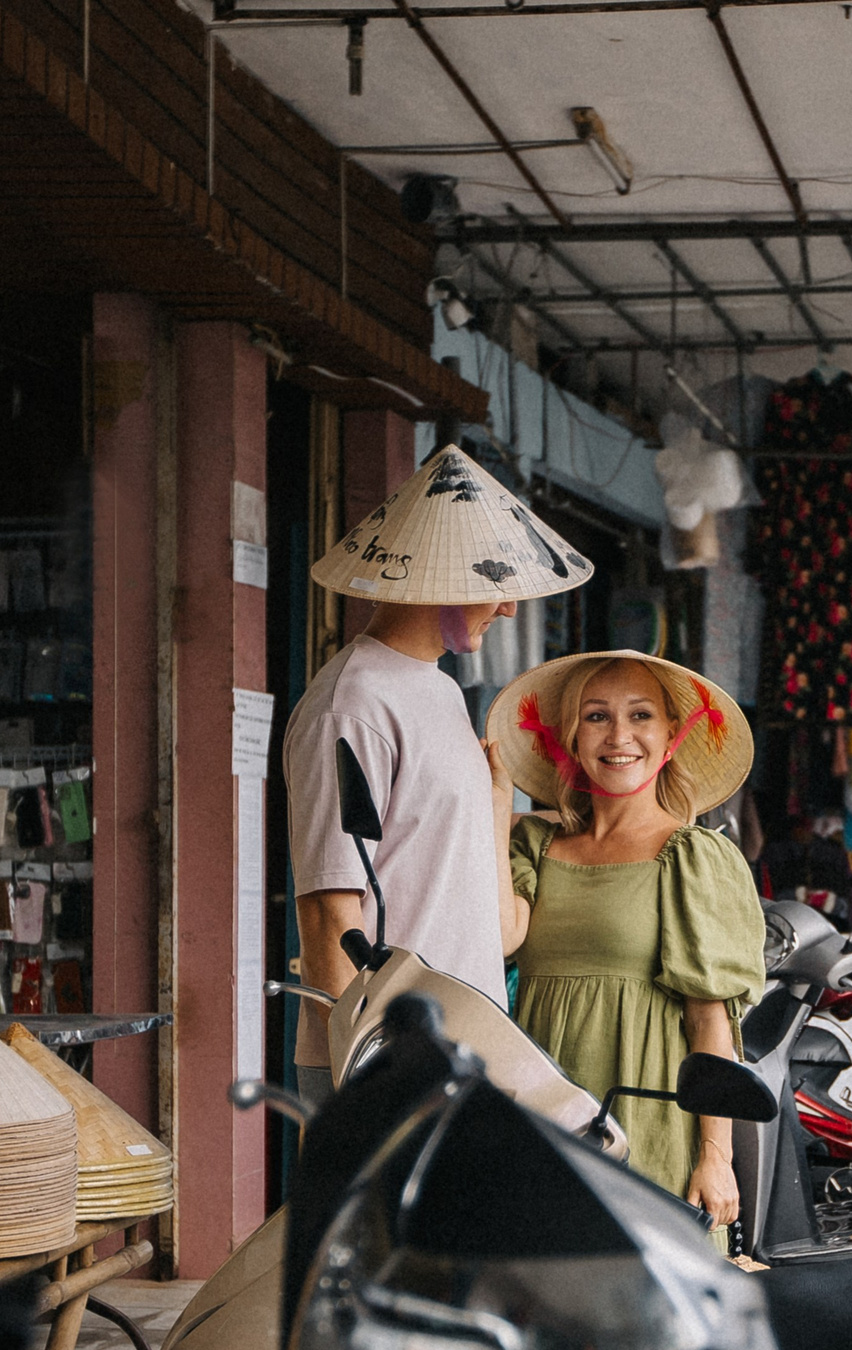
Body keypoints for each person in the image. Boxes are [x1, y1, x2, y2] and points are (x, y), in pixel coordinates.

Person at [285, 444, 595, 1102]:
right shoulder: (353, 703)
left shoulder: (444, 692)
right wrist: (366, 1078)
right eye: (494, 584)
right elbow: (327, 916)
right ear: (437, 576)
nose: (509, 608)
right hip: (387, 1063)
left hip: (459, 1051)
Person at [487, 650, 764, 1229]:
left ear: (672, 735)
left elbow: (711, 1023)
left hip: (650, 1123)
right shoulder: (535, 846)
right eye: (596, 716)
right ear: (570, 738)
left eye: (640, 715)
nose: (619, 736)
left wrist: (717, 1156)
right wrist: (496, 808)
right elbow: (504, 936)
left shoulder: (691, 857)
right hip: (545, 1120)